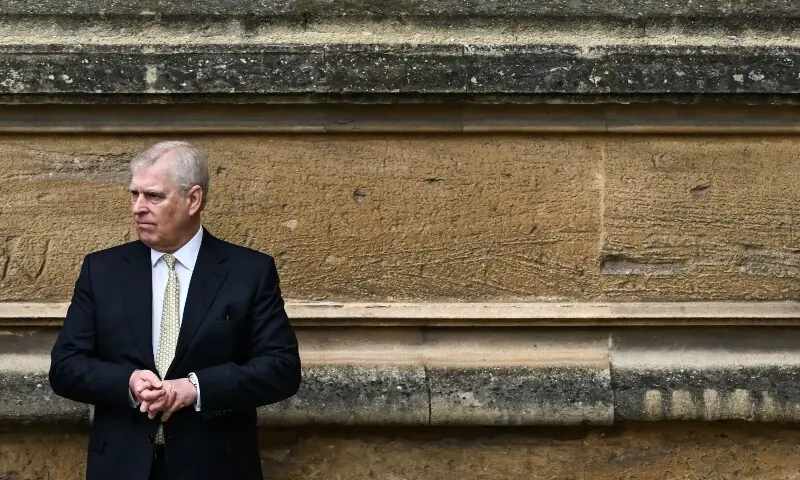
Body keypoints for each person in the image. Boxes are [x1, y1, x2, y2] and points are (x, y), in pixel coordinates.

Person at [49, 141, 302, 480]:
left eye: (153, 196)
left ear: (193, 199)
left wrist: (196, 388)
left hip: (216, 467)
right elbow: (66, 367)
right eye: (134, 194)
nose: (138, 207)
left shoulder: (248, 272)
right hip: (122, 466)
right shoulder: (102, 270)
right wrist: (128, 382)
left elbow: (281, 369)